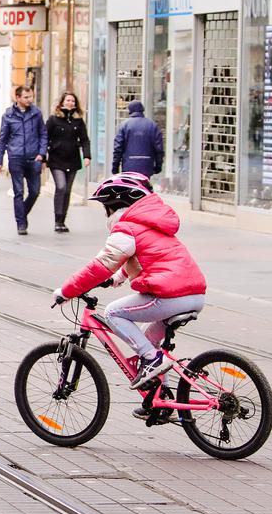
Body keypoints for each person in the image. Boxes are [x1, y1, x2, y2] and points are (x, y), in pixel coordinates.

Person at [54, 172, 206, 404]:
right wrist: (117, 278)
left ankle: (151, 360)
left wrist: (67, 290)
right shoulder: (148, 224)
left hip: (170, 296)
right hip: (193, 295)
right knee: (149, 339)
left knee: (113, 313)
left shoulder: (127, 228)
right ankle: (160, 400)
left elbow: (100, 265)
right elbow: (148, 256)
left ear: (116, 206)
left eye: (106, 208)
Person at [0, 86, 48, 234]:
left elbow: (43, 134)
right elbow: (2, 138)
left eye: (31, 96)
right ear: (17, 98)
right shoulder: (8, 116)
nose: (29, 100)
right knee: (18, 191)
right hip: (16, 157)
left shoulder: (36, 113)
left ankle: (21, 213)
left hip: (34, 157)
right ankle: (21, 223)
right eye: (26, 97)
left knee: (35, 191)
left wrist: (42, 154)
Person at [45, 91, 91, 233]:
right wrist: (42, 155)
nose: (70, 103)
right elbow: (44, 138)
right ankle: (57, 220)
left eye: (73, 101)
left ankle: (62, 220)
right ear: (62, 103)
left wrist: (87, 156)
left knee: (67, 191)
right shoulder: (53, 119)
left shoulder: (78, 121)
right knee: (61, 187)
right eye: (68, 101)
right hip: (56, 159)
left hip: (72, 159)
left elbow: (84, 140)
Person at [112, 100, 164, 178]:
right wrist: (158, 166)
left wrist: (115, 167)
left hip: (129, 166)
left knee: (130, 187)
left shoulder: (124, 125)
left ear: (130, 110)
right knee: (144, 187)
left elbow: (118, 148)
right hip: (146, 166)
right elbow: (159, 148)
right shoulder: (152, 126)